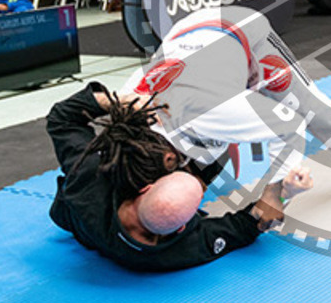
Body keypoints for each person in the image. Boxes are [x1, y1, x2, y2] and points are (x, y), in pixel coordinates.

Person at [122, 6, 331, 194]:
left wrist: (274, 194)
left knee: (309, 107)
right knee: (199, 140)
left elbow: (291, 127)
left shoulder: (218, 110)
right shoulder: (126, 109)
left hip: (244, 32)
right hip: (191, 35)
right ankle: (191, 184)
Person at [47, 82, 316, 271]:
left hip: (76, 215)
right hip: (103, 222)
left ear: (144, 188)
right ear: (182, 227)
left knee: (139, 140)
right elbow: (247, 226)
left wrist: (120, 101)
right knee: (217, 145)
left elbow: (61, 117)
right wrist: (283, 192)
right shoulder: (182, 249)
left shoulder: (90, 175)